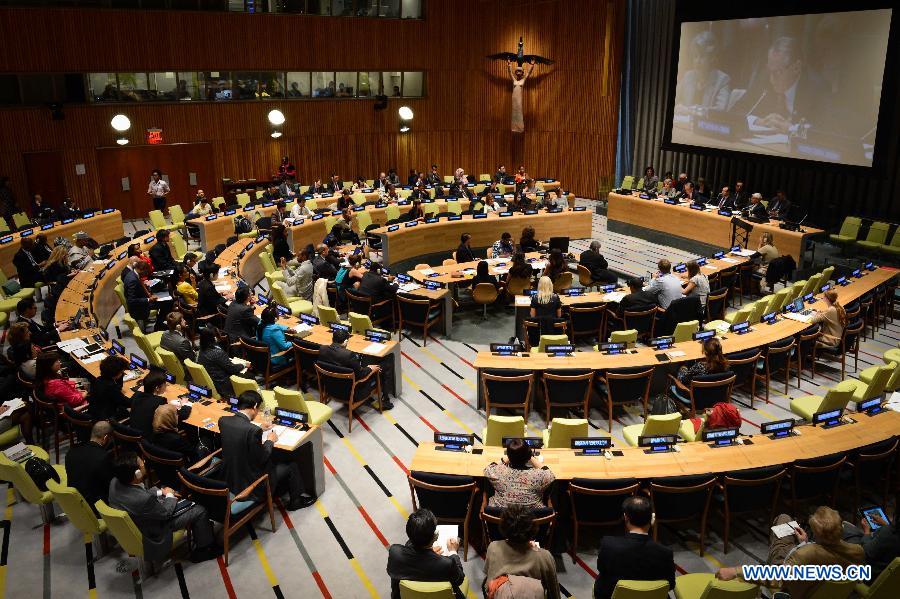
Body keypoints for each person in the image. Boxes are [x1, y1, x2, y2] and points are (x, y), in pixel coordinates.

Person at [716, 506, 864, 598]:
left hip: (791, 582)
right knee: (786, 519)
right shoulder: (857, 551)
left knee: (782, 519)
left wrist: (735, 571)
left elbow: (776, 578)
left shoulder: (807, 554)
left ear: (818, 536)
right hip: (812, 577)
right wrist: (805, 543)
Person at [109, 452, 221, 563]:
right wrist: (169, 495)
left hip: (139, 521)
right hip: (156, 530)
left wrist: (160, 492)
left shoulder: (115, 482)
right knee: (199, 510)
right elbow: (165, 513)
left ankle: (203, 533)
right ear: (137, 473)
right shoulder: (143, 500)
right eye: (142, 464)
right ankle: (203, 551)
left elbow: (139, 493)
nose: (144, 463)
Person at [218, 390, 314, 510]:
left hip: (231, 479)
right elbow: (262, 458)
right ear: (254, 407)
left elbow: (239, 433)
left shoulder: (223, 421)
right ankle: (296, 501)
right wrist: (270, 441)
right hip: (252, 485)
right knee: (291, 464)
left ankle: (282, 489)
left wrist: (258, 428)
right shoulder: (252, 430)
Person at [594, 495, 675, 599]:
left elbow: (601, 569)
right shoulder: (666, 553)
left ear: (626, 517)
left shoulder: (608, 545)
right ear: (651, 519)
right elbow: (670, 585)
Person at [387, 508, 467, 599]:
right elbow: (460, 578)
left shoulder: (395, 553)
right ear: (435, 536)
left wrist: (428, 553)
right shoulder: (447, 564)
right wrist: (453, 551)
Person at [483, 505, 560, 599]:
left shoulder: (493, 547)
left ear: (503, 527)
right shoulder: (545, 556)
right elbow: (554, 592)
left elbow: (488, 581)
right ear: (532, 529)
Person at [318, 327, 393, 410]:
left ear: (333, 339)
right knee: (385, 364)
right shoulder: (348, 355)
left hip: (331, 389)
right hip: (354, 393)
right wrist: (370, 368)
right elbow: (361, 375)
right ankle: (386, 401)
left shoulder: (322, 349)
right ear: (346, 341)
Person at [484, 438, 554, 510]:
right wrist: (530, 457)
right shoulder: (539, 475)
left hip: (500, 517)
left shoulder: (498, 472)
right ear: (528, 455)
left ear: (508, 455)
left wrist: (509, 456)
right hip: (532, 517)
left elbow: (488, 468)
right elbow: (550, 474)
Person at [675, 30, 731, 113]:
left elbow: (720, 111)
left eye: (702, 56)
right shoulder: (688, 76)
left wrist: (690, 110)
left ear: (712, 58)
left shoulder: (722, 80)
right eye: (695, 56)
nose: (697, 61)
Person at [65, 420, 114, 514]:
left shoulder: (71, 452)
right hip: (96, 509)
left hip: (75, 504)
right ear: (106, 437)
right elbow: (111, 486)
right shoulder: (103, 457)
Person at [843, 509, 900, 582]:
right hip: (890, 576)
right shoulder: (889, 532)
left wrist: (867, 532)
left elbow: (865, 551)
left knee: (846, 527)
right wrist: (885, 524)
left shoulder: (888, 533)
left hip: (871, 574)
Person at [197, 327, 244, 397]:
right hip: (222, 385)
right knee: (249, 375)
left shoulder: (201, 350)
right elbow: (232, 369)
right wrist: (243, 365)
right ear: (213, 338)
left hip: (212, 380)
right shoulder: (217, 352)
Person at [87, 355, 131, 421]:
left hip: (95, 412)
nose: (122, 373)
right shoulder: (111, 387)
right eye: (122, 372)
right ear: (117, 373)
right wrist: (139, 392)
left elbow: (118, 387)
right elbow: (128, 403)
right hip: (106, 419)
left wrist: (121, 367)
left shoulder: (98, 380)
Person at [123, 260, 157, 327]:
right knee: (165, 304)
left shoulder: (132, 274)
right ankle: (158, 325)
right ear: (141, 270)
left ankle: (147, 320)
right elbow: (131, 300)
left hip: (140, 302)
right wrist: (148, 299)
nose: (146, 274)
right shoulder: (132, 280)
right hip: (138, 309)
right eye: (146, 272)